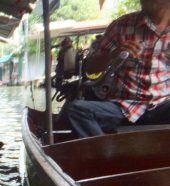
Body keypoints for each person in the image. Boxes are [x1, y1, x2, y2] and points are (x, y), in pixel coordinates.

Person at [61, 0, 170, 138]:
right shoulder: (121, 26)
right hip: (121, 107)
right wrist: (113, 55)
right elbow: (90, 67)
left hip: (163, 105)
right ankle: (106, 153)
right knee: (74, 110)